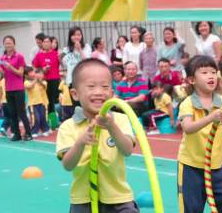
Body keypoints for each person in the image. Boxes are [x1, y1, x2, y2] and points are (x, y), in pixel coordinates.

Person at [56, 58, 138, 213]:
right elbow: (68, 165)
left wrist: (111, 126)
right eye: (91, 86)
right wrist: (80, 143)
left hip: (118, 197)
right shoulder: (68, 127)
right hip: (83, 200)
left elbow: (127, 150)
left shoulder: (120, 120)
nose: (99, 92)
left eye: (105, 86)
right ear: (75, 94)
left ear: (112, 93)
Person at [178, 55, 222, 212]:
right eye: (204, 72)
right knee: (193, 207)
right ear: (192, 80)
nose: (211, 76)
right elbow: (188, 128)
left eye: (213, 72)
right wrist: (212, 117)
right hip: (191, 165)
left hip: (215, 164)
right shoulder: (188, 103)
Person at [0, 36, 31, 141]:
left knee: (21, 112)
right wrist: (1, 70)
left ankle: (28, 134)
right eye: (6, 43)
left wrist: (10, 67)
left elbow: (21, 73)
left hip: (18, 88)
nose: (8, 45)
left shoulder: (19, 57)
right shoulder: (2, 58)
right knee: (12, 113)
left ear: (14, 44)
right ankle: (16, 134)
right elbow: (3, 74)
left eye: (10, 43)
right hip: (8, 89)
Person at [32, 36, 61, 116]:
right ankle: (51, 120)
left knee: (56, 100)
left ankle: (59, 118)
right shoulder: (39, 55)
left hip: (55, 80)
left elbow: (62, 65)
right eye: (44, 42)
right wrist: (42, 70)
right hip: (43, 81)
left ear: (51, 43)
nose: (46, 43)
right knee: (47, 101)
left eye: (48, 42)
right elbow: (35, 68)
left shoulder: (56, 54)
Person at [25, 67, 49, 137]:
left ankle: (45, 130)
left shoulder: (44, 82)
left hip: (42, 103)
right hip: (32, 104)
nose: (33, 74)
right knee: (36, 118)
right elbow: (30, 86)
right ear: (27, 75)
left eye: (41, 74)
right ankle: (34, 131)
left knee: (43, 117)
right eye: (31, 72)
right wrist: (36, 79)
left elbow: (44, 85)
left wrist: (39, 80)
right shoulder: (26, 82)